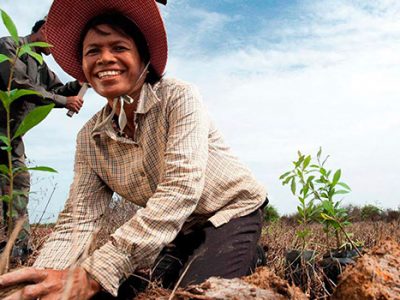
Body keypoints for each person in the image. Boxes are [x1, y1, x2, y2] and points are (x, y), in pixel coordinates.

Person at [0, 0, 268, 299]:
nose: (104, 58)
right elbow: (78, 219)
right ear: (85, 70)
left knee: (197, 293)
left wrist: (93, 273)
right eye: (93, 51)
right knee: (130, 289)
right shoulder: (90, 138)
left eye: (118, 48)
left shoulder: (178, 97)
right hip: (179, 229)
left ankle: (248, 255)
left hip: (230, 211)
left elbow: (181, 188)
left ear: (143, 59)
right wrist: (36, 286)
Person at [0, 18, 84, 260]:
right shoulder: (9, 47)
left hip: (12, 139)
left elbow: (55, 91)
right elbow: (20, 84)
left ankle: (18, 250)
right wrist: (63, 102)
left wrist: (76, 86)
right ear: (43, 30)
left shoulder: (42, 67)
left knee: (19, 183)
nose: (58, 48)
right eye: (56, 40)